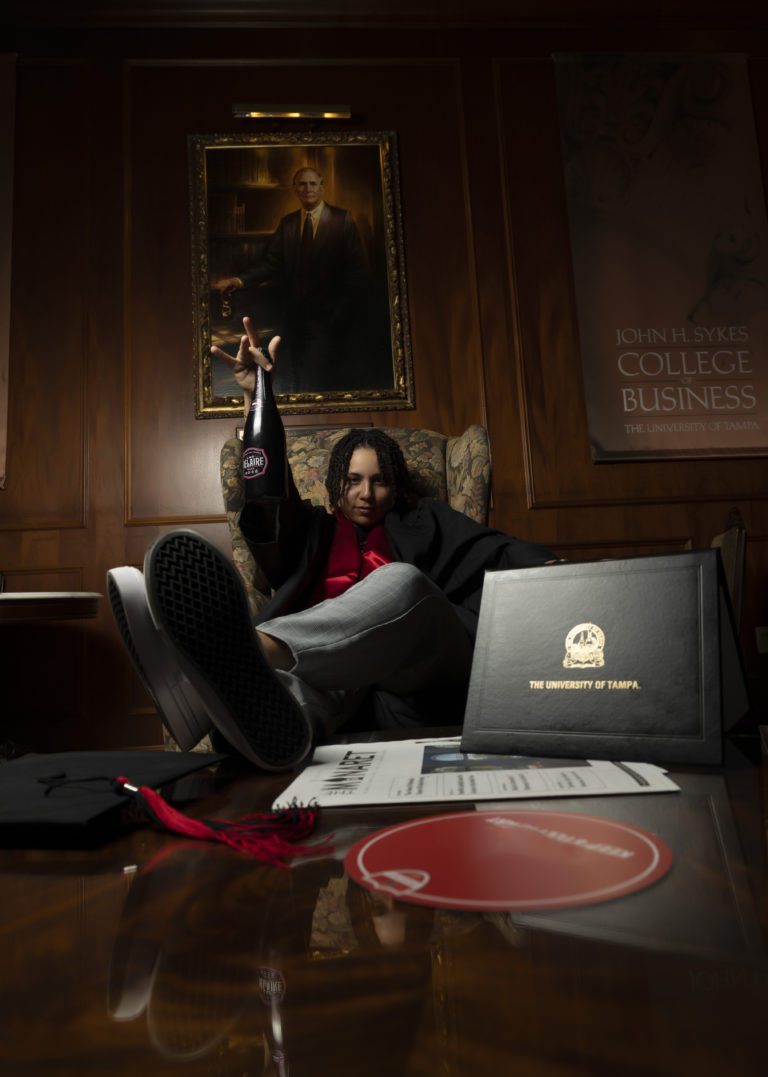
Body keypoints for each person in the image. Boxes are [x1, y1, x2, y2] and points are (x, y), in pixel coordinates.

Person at [109, 317, 557, 770]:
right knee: (285, 700)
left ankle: (250, 650)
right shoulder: (315, 530)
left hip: (420, 674)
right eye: (355, 480)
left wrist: (562, 576)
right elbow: (269, 495)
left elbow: (500, 551)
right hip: (339, 684)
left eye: (380, 482)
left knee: (400, 579)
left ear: (396, 485)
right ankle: (227, 713)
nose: (367, 494)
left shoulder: (428, 520)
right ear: (336, 483)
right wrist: (254, 396)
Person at [212, 166, 386, 394]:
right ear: (295, 189)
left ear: (322, 187)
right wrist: (238, 280)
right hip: (293, 321)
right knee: (291, 379)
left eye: (313, 184)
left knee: (318, 381)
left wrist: (339, 318)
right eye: (302, 184)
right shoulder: (289, 224)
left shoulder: (342, 220)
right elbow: (270, 264)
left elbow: (357, 276)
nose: (308, 189)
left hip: (330, 321)